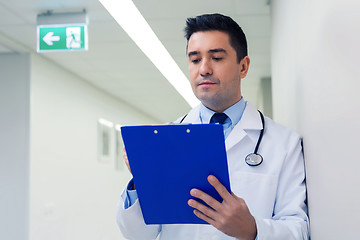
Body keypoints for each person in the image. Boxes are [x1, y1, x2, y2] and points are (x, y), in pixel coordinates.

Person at [116, 13, 309, 240]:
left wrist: (253, 230)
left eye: (216, 58)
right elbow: (137, 234)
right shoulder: (165, 139)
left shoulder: (284, 143)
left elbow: (299, 229)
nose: (204, 69)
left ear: (243, 67)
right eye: (195, 60)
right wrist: (142, 182)